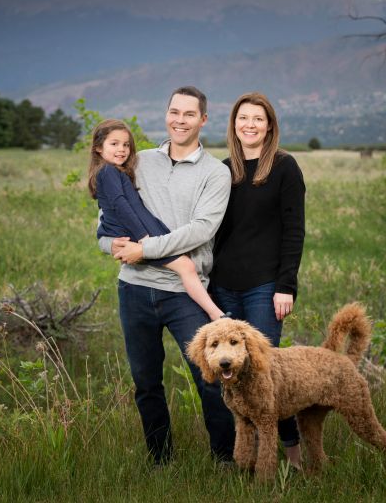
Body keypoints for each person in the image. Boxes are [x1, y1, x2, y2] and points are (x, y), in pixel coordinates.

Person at [98, 86, 235, 465]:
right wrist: (108, 246)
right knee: (146, 383)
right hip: (134, 289)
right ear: (166, 114)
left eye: (189, 114)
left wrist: (147, 250)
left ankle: (225, 459)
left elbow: (201, 230)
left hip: (184, 293)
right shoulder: (136, 161)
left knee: (209, 378)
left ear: (203, 120)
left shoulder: (215, 173)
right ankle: (161, 460)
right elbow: (108, 219)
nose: (179, 120)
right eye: (174, 112)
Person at [209, 91, 306, 469]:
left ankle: (295, 459)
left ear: (269, 126)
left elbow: (294, 231)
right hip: (222, 287)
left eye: (258, 119)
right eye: (243, 118)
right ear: (234, 125)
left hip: (265, 287)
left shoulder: (284, 167)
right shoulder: (222, 170)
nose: (250, 125)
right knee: (230, 380)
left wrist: (286, 285)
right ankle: (240, 460)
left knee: (266, 378)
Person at [88, 118, 224, 321]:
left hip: (146, 228)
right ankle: (217, 315)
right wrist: (144, 238)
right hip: (141, 232)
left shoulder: (121, 170)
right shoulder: (108, 172)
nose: (122, 149)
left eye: (126, 144)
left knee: (186, 267)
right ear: (98, 148)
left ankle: (215, 313)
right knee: (186, 267)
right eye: (114, 144)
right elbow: (119, 208)